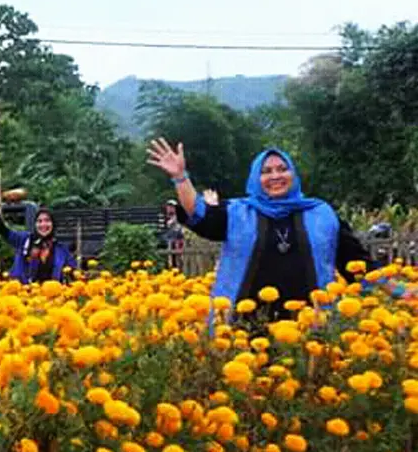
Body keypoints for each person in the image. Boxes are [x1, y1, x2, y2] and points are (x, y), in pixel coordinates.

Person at [147, 137, 373, 322]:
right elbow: (200, 214)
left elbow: (356, 262)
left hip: (311, 328)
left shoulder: (321, 214)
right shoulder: (237, 212)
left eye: (282, 169)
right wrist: (180, 177)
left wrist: (400, 291)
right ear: (256, 178)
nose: (275, 176)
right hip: (245, 327)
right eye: (266, 171)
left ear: (293, 175)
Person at [0, 180, 77, 284]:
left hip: (51, 297)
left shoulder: (61, 249)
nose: (43, 225)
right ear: (35, 224)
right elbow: (3, 230)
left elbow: (74, 273)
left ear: (53, 224)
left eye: (47, 221)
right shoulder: (24, 240)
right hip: (23, 295)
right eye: (39, 221)